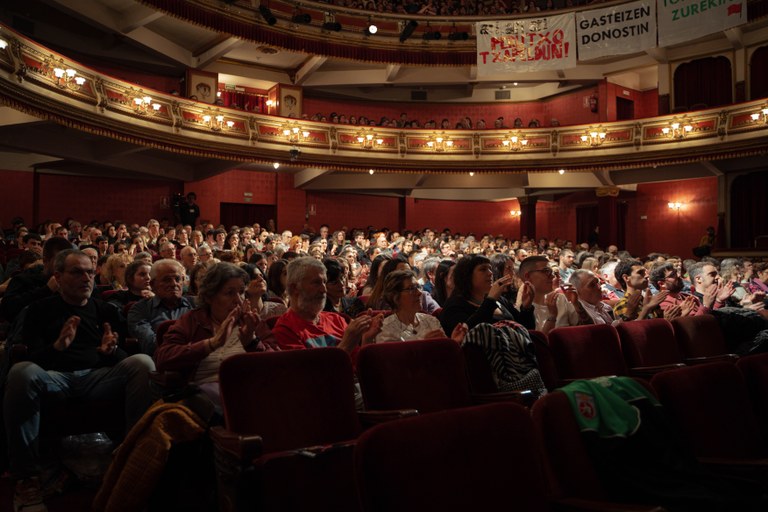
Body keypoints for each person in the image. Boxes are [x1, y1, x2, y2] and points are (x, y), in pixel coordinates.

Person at [4, 249, 155, 512]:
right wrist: (57, 348)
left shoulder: (105, 310)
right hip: (55, 378)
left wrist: (112, 352)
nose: (86, 278)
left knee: (143, 363)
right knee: (20, 373)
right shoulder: (40, 309)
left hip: (97, 378)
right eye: (77, 272)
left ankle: (130, 458)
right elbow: (28, 358)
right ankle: (27, 478)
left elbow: (124, 355)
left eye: (89, 272)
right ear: (58, 277)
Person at [154, 262, 275, 408]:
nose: (238, 300)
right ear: (209, 297)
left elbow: (278, 365)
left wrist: (252, 342)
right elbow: (163, 358)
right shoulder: (192, 320)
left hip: (251, 392)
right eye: (229, 293)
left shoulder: (251, 322)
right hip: (204, 400)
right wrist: (211, 344)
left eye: (242, 292)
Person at [272, 257, 383, 353]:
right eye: (316, 283)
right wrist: (346, 344)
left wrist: (367, 338)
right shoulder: (285, 330)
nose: (324, 290)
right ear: (294, 288)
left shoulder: (337, 320)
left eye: (324, 282)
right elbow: (310, 370)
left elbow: (357, 364)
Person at [440, 255, 535, 336]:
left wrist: (526, 308)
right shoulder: (454, 306)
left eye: (490, 268)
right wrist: (490, 300)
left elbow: (526, 330)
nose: (490, 273)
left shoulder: (499, 299)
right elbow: (469, 334)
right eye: (483, 269)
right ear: (467, 275)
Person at [375, 270, 466, 342]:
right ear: (395, 296)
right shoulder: (386, 328)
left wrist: (453, 342)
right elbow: (393, 359)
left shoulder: (431, 321)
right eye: (411, 289)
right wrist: (423, 345)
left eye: (418, 287)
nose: (419, 293)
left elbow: (445, 355)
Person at [127, 259, 194, 355]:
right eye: (167, 280)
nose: (174, 284)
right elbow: (149, 344)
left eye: (178, 279)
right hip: (161, 359)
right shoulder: (140, 310)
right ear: (152, 284)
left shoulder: (196, 304)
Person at [519, 256, 579, 334]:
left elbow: (584, 327)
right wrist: (552, 316)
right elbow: (536, 341)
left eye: (552, 272)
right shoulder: (522, 311)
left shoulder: (560, 298)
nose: (553, 276)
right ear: (528, 276)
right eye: (546, 271)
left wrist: (577, 304)